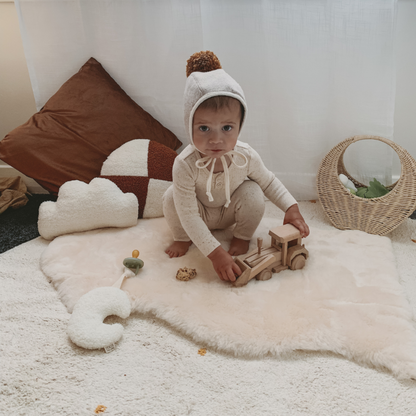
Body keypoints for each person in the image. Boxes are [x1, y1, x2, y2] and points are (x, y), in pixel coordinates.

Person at [163, 51, 309, 283]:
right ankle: (183, 237)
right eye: (204, 128)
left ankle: (242, 236)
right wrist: (215, 254)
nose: (216, 139)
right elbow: (189, 215)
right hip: (197, 211)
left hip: (229, 211)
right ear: (188, 124)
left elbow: (269, 182)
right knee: (171, 198)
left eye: (227, 128)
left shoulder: (245, 155)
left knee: (253, 191)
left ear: (240, 126)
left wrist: (291, 208)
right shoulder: (184, 164)